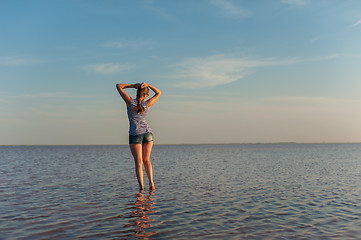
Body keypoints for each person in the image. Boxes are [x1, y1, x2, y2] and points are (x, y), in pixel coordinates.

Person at [116, 82, 161, 191]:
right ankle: (152, 184)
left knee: (139, 163)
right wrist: (149, 85)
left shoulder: (129, 102)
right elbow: (159, 92)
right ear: (145, 95)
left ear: (137, 92)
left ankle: (141, 188)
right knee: (147, 160)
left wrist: (133, 85)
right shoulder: (148, 103)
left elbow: (118, 86)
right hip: (148, 134)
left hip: (135, 134)